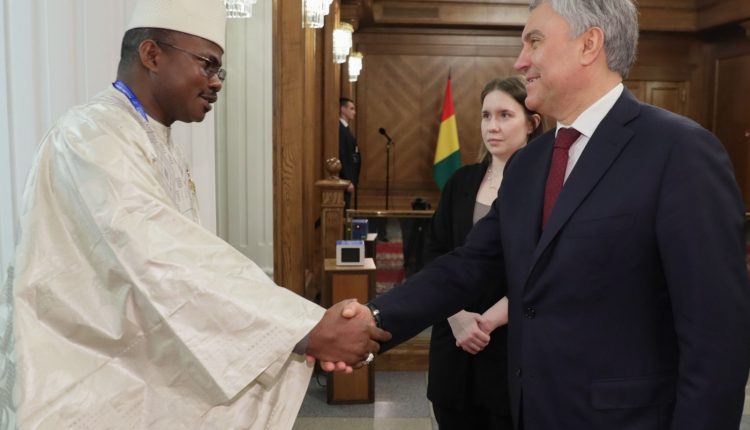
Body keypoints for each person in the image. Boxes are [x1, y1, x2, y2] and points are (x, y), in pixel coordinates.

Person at [362, 1, 750, 429]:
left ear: (589, 44)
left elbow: (717, 338)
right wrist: (373, 320)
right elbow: (471, 264)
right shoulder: (529, 164)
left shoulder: (680, 152)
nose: (520, 61)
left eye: (534, 41)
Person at [0, 1, 388, 429]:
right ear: (152, 55)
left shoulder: (154, 140)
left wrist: (300, 332)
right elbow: (163, 258)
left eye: (220, 70)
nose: (216, 82)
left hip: (135, 375)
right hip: (85, 383)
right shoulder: (91, 136)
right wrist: (305, 330)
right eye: (207, 64)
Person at [426, 76, 542, 429]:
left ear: (531, 123)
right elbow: (434, 254)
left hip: (510, 341)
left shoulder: (545, 188)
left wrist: (487, 322)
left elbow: (543, 271)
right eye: (486, 115)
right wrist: (456, 316)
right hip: (453, 340)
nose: (492, 126)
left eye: (505, 115)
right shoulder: (461, 181)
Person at [339, 97, 361, 209]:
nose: (354, 112)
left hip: (350, 179)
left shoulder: (346, 128)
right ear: (343, 109)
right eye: (351, 109)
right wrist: (347, 180)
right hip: (344, 181)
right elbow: (342, 156)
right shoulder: (340, 129)